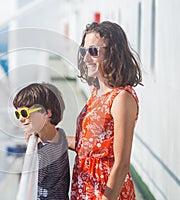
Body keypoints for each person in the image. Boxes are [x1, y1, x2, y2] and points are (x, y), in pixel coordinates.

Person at [67, 21, 143, 200]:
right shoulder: (96, 93)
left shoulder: (121, 98)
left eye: (93, 51)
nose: (86, 58)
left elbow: (122, 163)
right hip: (85, 188)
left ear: (114, 52)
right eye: (84, 51)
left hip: (107, 192)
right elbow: (86, 146)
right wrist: (48, 134)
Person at [13, 83, 70, 200]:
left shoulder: (45, 154)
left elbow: (33, 180)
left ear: (47, 113)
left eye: (25, 113)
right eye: (17, 114)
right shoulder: (61, 136)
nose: (21, 119)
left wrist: (34, 147)